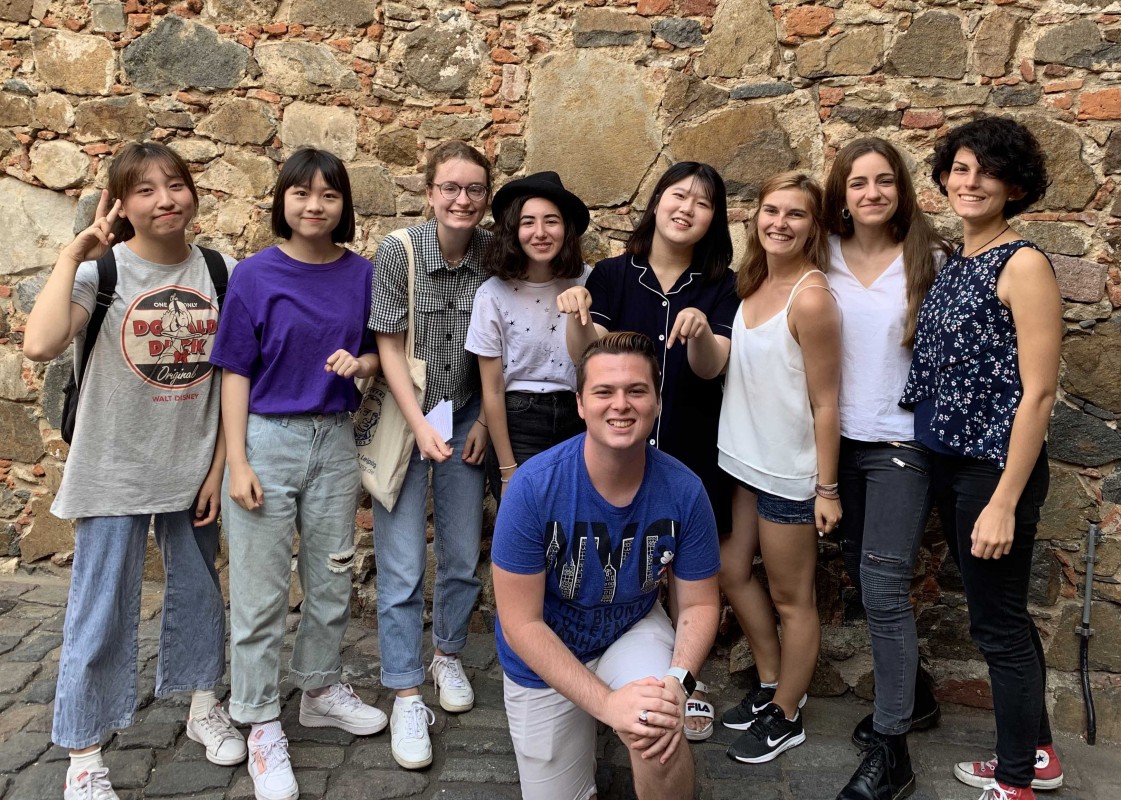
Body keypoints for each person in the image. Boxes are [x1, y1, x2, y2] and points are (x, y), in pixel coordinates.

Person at [24, 142, 245, 800]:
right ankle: (85, 755)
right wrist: (72, 255)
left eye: (175, 185)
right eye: (145, 190)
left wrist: (219, 465)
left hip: (192, 465)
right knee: (100, 611)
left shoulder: (220, 270)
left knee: (201, 594)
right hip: (113, 468)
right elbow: (39, 343)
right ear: (122, 204)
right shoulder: (104, 274)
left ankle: (204, 704)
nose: (165, 199)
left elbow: (232, 375)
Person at [210, 148, 384, 800]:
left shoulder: (360, 274)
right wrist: (237, 462)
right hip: (267, 437)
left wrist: (361, 366)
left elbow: (378, 351)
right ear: (281, 200)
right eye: (302, 193)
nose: (315, 205)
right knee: (257, 595)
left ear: (343, 204)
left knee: (332, 577)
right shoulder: (254, 275)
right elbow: (234, 370)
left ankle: (316, 688)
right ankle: (258, 722)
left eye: (329, 195)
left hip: (334, 441)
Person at [901, 117, 1063, 800]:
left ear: (1013, 186)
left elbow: (1039, 392)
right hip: (950, 461)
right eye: (959, 168)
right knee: (1002, 618)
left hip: (990, 471)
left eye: (985, 171)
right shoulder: (961, 258)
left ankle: (1018, 782)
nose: (969, 182)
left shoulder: (1020, 262)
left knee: (995, 624)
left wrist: (1000, 500)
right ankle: (1040, 752)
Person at [493, 331, 721, 800]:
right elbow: (521, 623)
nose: (621, 404)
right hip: (545, 650)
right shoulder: (533, 489)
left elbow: (699, 603)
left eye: (636, 390)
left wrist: (678, 685)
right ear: (580, 404)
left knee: (659, 731)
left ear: (657, 402)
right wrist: (608, 704)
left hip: (629, 627)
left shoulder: (684, 489)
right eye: (604, 391)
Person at [558, 162, 737, 740]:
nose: (687, 208)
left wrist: (701, 331)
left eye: (703, 203)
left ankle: (687, 678)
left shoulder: (722, 284)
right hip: (619, 449)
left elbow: (713, 368)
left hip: (690, 445)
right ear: (656, 203)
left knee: (690, 568)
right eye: (677, 196)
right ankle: (613, 660)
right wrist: (577, 316)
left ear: (714, 219)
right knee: (622, 552)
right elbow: (588, 356)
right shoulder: (613, 274)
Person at [822, 138, 950, 800]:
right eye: (856, 183)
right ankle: (919, 696)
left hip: (902, 447)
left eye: (882, 181)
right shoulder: (822, 258)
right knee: (861, 578)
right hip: (836, 445)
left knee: (881, 589)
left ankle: (893, 747)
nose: (870, 193)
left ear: (900, 189)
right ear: (839, 194)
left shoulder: (930, 260)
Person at [367, 140, 493, 770]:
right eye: (450, 188)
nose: (461, 200)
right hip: (406, 414)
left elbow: (509, 341)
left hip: (467, 414)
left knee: (463, 555)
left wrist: (487, 427)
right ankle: (405, 693)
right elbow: (388, 348)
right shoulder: (399, 252)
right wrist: (418, 424)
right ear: (430, 192)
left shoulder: (494, 252)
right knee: (401, 565)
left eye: (473, 189)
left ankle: (446, 654)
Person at [717, 171, 842, 763]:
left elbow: (826, 401)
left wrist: (827, 487)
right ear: (756, 217)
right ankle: (771, 683)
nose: (780, 223)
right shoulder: (754, 280)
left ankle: (789, 712)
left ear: (814, 227)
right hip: (742, 459)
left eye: (796, 214)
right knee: (731, 571)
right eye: (771, 210)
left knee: (794, 599)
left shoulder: (811, 297)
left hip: (789, 475)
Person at [466, 171, 590, 500]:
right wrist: (507, 470)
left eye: (551, 221)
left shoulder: (586, 280)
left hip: (578, 416)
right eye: (528, 222)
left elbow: (594, 358)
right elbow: (492, 389)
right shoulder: (492, 295)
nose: (540, 233)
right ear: (513, 230)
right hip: (519, 419)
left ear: (566, 228)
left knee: (573, 524)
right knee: (526, 530)